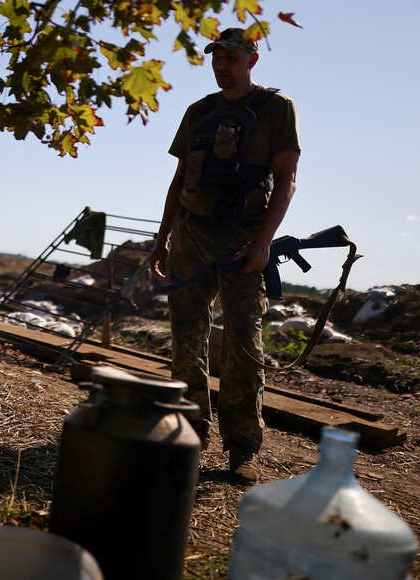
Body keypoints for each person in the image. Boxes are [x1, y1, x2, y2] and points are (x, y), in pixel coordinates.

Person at [149, 27, 301, 485]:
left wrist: (263, 242)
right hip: (192, 235)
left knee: (242, 346)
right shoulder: (199, 111)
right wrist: (162, 239)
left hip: (243, 240)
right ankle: (189, 435)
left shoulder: (277, 108)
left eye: (231, 58)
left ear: (252, 60)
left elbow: (287, 177)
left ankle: (242, 450)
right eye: (217, 57)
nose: (222, 65)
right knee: (185, 340)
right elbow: (180, 179)